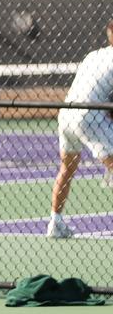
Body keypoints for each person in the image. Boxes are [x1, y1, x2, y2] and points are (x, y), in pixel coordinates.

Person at [49, 20, 113, 238]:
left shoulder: (93, 56)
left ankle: (55, 223)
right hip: (89, 116)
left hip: (67, 114)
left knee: (67, 168)